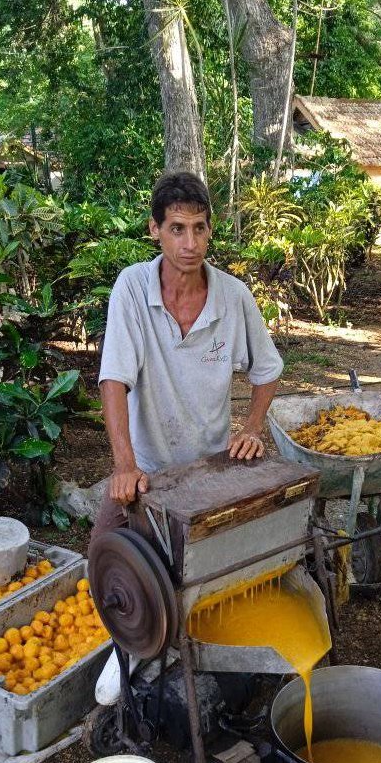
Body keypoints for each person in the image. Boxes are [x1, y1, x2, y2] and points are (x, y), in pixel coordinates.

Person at [88, 170, 284, 553]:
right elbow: (114, 379)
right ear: (155, 229)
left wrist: (252, 429)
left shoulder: (234, 296)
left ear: (211, 230)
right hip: (147, 470)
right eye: (177, 229)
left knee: (208, 568)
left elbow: (267, 368)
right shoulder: (131, 287)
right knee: (105, 557)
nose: (190, 243)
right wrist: (125, 465)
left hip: (211, 469)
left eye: (199, 228)